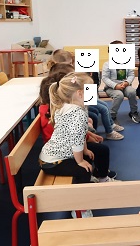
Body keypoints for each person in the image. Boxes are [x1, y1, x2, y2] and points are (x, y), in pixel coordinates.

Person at [38, 72, 97, 218]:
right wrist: (80, 160)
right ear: (80, 93)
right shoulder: (77, 113)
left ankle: (82, 186)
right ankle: (79, 208)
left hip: (59, 155)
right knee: (84, 170)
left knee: (88, 159)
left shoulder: (75, 107)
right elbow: (76, 140)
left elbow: (80, 133)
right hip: (52, 162)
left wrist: (85, 150)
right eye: (91, 90)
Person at [101, 40, 140, 124]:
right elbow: (105, 78)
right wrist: (115, 86)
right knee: (119, 95)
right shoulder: (107, 64)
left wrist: (126, 82)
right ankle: (112, 115)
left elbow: (131, 74)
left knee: (132, 91)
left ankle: (134, 112)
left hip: (125, 85)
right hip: (111, 88)